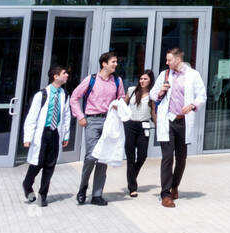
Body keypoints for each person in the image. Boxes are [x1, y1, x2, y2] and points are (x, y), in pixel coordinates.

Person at [151, 47, 206, 208]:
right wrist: (160, 91)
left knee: (181, 158)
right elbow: (153, 95)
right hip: (168, 120)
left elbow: (201, 95)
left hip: (184, 121)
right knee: (167, 157)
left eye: (169, 60)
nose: (166, 62)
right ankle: (165, 194)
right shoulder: (164, 75)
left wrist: (193, 105)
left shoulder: (193, 75)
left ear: (178, 60)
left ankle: (175, 186)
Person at [69, 51, 126, 206]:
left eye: (116, 62)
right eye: (113, 62)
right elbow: (74, 97)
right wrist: (80, 116)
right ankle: (82, 189)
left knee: (103, 158)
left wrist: (120, 105)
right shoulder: (91, 79)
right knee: (91, 157)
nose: (116, 64)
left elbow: (121, 98)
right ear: (104, 63)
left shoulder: (117, 81)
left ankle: (97, 195)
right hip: (92, 121)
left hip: (109, 122)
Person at [21, 64, 71, 207]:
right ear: (56, 76)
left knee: (50, 165)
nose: (67, 75)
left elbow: (66, 116)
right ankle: (27, 184)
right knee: (37, 163)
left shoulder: (65, 95)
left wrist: (66, 136)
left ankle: (42, 195)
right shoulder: (41, 95)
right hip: (43, 133)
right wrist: (27, 138)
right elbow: (31, 117)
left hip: (55, 133)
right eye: (64, 73)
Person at [121, 70, 155, 197]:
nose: (142, 81)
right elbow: (123, 106)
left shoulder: (152, 95)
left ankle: (131, 177)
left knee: (142, 155)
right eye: (141, 78)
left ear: (150, 80)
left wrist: (159, 126)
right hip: (129, 125)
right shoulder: (131, 90)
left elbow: (153, 113)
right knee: (130, 157)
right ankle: (132, 187)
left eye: (145, 79)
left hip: (144, 126)